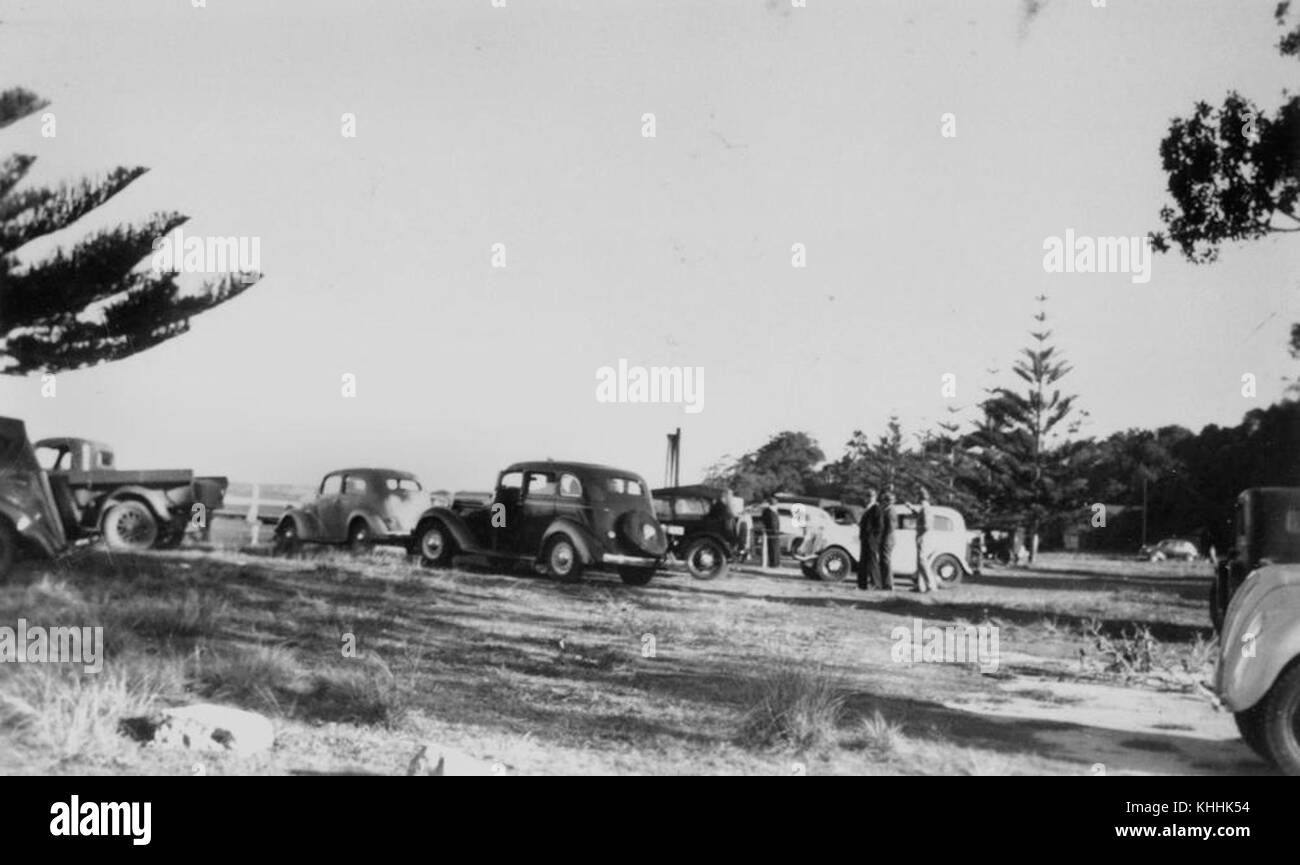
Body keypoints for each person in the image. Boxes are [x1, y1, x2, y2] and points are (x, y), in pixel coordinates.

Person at [857, 488, 883, 590]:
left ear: (875, 497)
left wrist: (873, 538)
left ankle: (876, 583)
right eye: (867, 496)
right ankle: (862, 584)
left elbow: (879, 526)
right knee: (863, 562)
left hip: (871, 540)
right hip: (864, 539)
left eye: (870, 496)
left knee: (872, 562)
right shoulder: (867, 509)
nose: (868, 498)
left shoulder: (876, 509)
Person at [912, 488, 936, 592]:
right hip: (922, 535)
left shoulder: (925, 507)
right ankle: (920, 585)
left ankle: (930, 585)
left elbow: (926, 525)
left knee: (922, 561)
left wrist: (919, 531)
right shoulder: (925, 507)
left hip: (923, 536)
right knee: (920, 561)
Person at [878, 490, 896, 590]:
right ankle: (885, 582)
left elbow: (890, 527)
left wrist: (883, 537)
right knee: (884, 560)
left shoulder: (890, 511)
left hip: (887, 538)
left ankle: (889, 584)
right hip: (887, 538)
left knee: (886, 561)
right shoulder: (888, 510)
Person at [760, 495, 782, 569]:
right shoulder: (767, 511)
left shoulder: (775, 510)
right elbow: (766, 521)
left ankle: (777, 562)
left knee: (776, 548)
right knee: (772, 548)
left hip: (776, 532)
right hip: (771, 531)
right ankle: (773, 563)